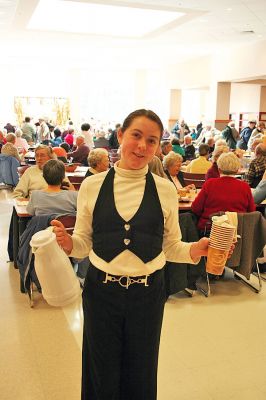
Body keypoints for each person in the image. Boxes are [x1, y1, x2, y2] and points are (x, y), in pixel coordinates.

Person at [51, 109, 210, 400]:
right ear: (121, 135)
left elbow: (171, 245)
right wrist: (68, 243)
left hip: (148, 295)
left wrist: (196, 250)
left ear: (158, 146)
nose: (142, 146)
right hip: (102, 292)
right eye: (136, 135)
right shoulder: (92, 185)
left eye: (151, 141)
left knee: (142, 371)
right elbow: (84, 242)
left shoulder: (164, 190)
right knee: (101, 370)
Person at [192, 152, 256, 232]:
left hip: (210, 230)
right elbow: (251, 212)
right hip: (237, 231)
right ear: (237, 170)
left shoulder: (210, 184)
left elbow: (196, 208)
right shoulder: (245, 186)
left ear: (219, 169)